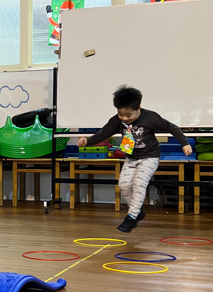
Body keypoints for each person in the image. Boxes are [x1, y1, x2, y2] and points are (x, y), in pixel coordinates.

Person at [77, 85, 192, 232]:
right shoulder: (117, 121)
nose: (125, 118)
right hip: (131, 158)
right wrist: (87, 142)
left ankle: (131, 217)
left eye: (129, 115)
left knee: (139, 183)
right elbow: (104, 133)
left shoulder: (150, 117)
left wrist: (184, 143)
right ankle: (138, 211)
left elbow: (172, 128)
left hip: (150, 157)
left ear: (139, 108)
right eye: (121, 114)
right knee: (123, 185)